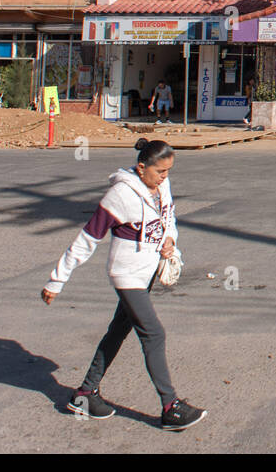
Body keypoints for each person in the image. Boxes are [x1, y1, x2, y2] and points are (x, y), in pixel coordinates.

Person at [41, 138, 206, 431]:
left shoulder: (161, 186)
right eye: (160, 172)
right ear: (142, 168)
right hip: (126, 274)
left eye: (168, 172)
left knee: (117, 331)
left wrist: (170, 242)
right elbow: (88, 239)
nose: (164, 178)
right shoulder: (119, 195)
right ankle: (170, 407)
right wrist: (57, 280)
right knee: (153, 334)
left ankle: (85, 394)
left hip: (147, 272)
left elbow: (168, 219)